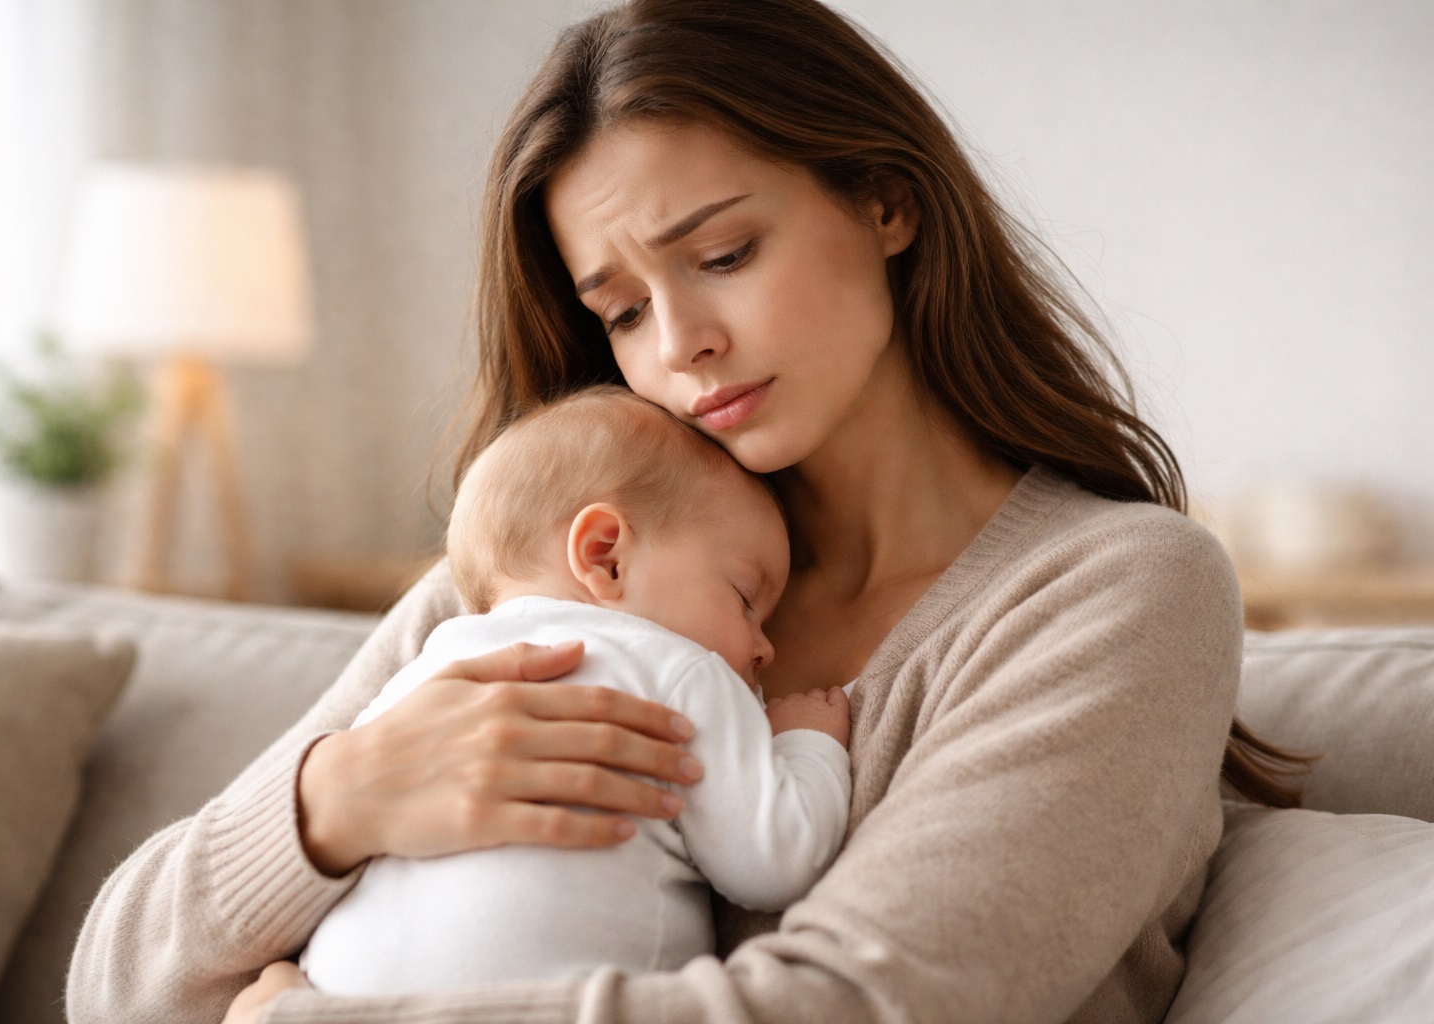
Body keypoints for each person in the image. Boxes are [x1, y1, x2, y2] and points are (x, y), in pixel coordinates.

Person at [68, 1, 1308, 1021]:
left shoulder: (1119, 591)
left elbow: (855, 1007)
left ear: (887, 202)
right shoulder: (561, 573)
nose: (682, 344)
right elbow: (118, 986)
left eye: (722, 256)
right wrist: (331, 802)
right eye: (618, 309)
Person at [299, 385, 852, 994]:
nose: (763, 648)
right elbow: (776, 860)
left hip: (334, 990)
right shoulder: (682, 672)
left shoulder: (420, 675)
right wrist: (807, 742)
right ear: (605, 555)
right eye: (745, 600)